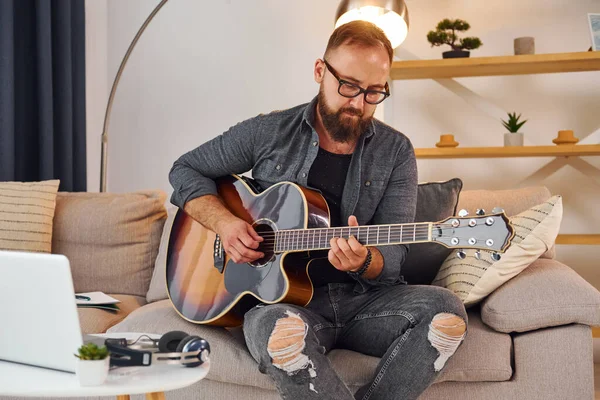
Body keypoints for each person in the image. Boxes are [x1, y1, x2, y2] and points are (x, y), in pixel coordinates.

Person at [169, 20, 467, 400]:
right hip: (284, 304)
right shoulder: (269, 131)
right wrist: (225, 223)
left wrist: (363, 261)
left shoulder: (396, 152)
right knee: (277, 333)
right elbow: (185, 169)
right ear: (319, 71)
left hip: (366, 302)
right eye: (349, 86)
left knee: (446, 313)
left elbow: (392, 257)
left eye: (374, 92)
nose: (359, 103)